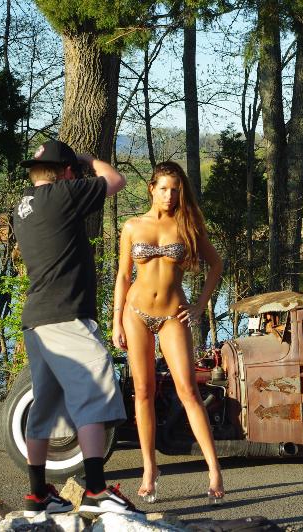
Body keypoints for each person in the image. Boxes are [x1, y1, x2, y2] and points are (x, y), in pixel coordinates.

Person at [13, 139, 143, 517]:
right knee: (96, 388)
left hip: (36, 319)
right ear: (66, 173)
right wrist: (90, 159)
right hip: (65, 315)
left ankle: (38, 495)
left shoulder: (21, 207)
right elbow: (115, 180)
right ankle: (97, 490)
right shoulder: (62, 194)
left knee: (47, 406)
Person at [112, 161, 225, 504]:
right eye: (163, 188)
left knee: (188, 390)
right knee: (143, 392)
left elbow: (216, 264)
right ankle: (150, 469)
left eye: (175, 189)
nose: (169, 195)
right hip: (136, 313)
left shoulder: (187, 225)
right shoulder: (132, 226)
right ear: (152, 188)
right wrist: (116, 321)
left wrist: (200, 305)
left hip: (173, 315)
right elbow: (123, 275)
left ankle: (214, 470)